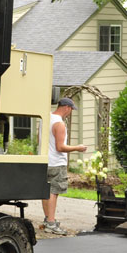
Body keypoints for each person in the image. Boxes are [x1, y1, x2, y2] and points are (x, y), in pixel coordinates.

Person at [43, 97, 87, 235]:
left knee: (45, 191)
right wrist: (78, 148)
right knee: (53, 192)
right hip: (56, 162)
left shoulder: (46, 118)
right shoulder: (59, 124)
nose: (70, 112)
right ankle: (51, 223)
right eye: (71, 110)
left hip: (45, 161)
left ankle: (47, 219)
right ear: (67, 107)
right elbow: (60, 147)